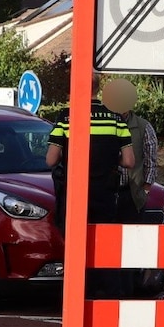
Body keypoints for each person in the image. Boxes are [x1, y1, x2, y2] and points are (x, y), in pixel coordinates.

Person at [45, 72, 135, 228]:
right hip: (105, 192)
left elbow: (51, 160)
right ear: (98, 88)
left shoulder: (67, 116)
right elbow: (129, 161)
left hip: (75, 192)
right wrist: (111, 157)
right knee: (103, 237)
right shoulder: (116, 117)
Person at [117, 108, 159, 224]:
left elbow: (151, 160)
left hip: (132, 193)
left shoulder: (143, 126)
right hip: (107, 192)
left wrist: (145, 190)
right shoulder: (105, 123)